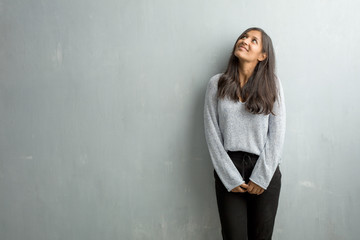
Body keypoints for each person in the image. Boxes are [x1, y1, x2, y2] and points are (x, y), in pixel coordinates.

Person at [203, 27, 286, 240]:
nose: (245, 41)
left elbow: (277, 134)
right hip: (228, 168)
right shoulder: (217, 84)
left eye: (253, 40)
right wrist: (229, 177)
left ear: (262, 55)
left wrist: (262, 176)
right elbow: (212, 133)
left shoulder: (272, 85)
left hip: (264, 168)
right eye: (243, 37)